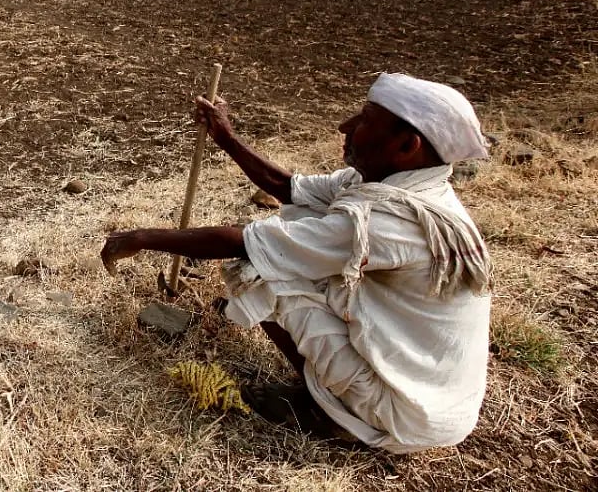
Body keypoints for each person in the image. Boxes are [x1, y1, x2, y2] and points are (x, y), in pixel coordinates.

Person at [100, 73, 493, 453]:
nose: (345, 126)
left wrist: (140, 238)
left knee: (258, 269)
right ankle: (335, 390)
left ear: (407, 145)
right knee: (297, 229)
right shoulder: (402, 188)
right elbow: (288, 189)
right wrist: (226, 137)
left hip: (405, 414)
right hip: (433, 402)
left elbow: (248, 243)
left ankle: (327, 410)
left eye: (365, 121)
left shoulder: (387, 221)